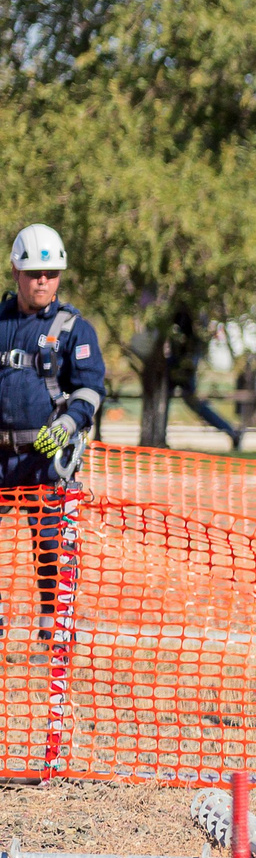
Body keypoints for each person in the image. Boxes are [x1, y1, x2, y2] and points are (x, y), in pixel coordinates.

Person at [0, 225, 103, 652]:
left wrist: (68, 425)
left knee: (49, 544)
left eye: (51, 272)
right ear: (15, 271)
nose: (43, 280)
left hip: (46, 457)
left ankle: (51, 626)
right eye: (34, 272)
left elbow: (90, 390)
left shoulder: (75, 329)